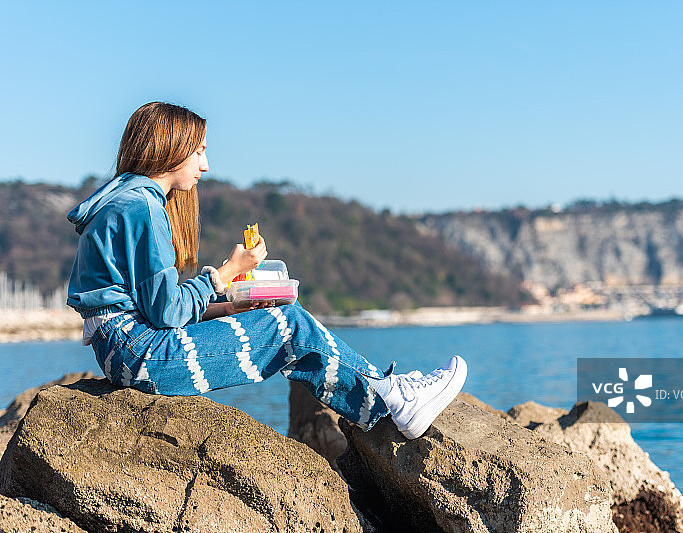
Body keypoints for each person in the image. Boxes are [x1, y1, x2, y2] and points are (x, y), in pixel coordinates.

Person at [66, 101, 467, 439]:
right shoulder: (141, 208)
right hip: (140, 356)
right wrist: (226, 273)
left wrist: (223, 310)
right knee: (289, 325)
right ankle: (394, 398)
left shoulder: (121, 202)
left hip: (126, 350)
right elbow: (165, 313)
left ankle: (382, 399)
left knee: (280, 322)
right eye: (199, 150)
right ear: (171, 148)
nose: (205, 165)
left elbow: (149, 307)